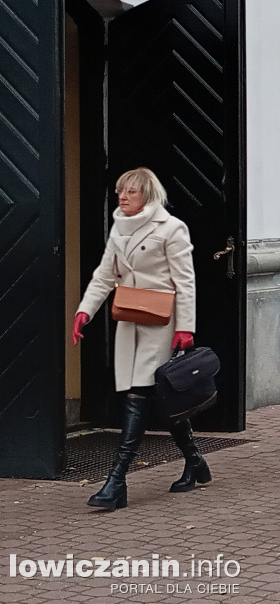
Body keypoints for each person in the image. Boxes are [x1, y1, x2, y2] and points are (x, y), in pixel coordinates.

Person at [72, 168, 201, 510]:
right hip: (129, 320)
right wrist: (84, 311)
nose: (122, 197)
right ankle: (195, 460)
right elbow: (104, 274)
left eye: (129, 191)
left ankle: (116, 481)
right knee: (161, 396)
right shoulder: (119, 228)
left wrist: (185, 327)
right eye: (119, 191)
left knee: (139, 394)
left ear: (147, 194)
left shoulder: (171, 228)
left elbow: (185, 282)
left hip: (162, 322)